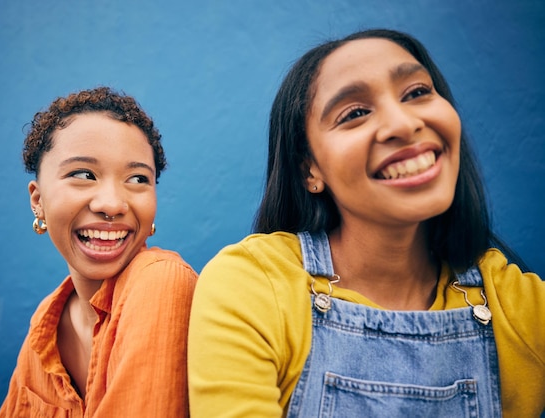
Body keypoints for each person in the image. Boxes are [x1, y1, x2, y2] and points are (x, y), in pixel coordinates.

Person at [188, 29, 544, 417]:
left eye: (417, 92)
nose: (403, 124)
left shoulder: (517, 303)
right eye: (355, 113)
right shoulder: (253, 285)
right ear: (310, 168)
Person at [0, 87, 198, 417]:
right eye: (83, 175)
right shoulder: (46, 321)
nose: (112, 204)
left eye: (137, 179)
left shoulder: (161, 282)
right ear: (38, 201)